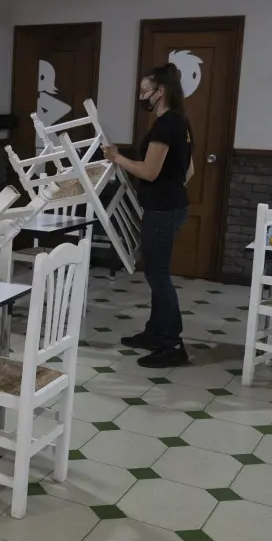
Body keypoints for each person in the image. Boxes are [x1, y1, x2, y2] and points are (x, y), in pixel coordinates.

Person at [104, 63, 196, 368]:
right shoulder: (181, 121)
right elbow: (189, 171)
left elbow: (150, 171)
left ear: (161, 91)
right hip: (172, 206)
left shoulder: (166, 124)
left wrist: (117, 158)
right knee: (156, 272)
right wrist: (171, 190)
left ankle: (172, 343)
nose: (142, 95)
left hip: (163, 210)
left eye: (146, 90)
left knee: (158, 274)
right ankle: (155, 332)